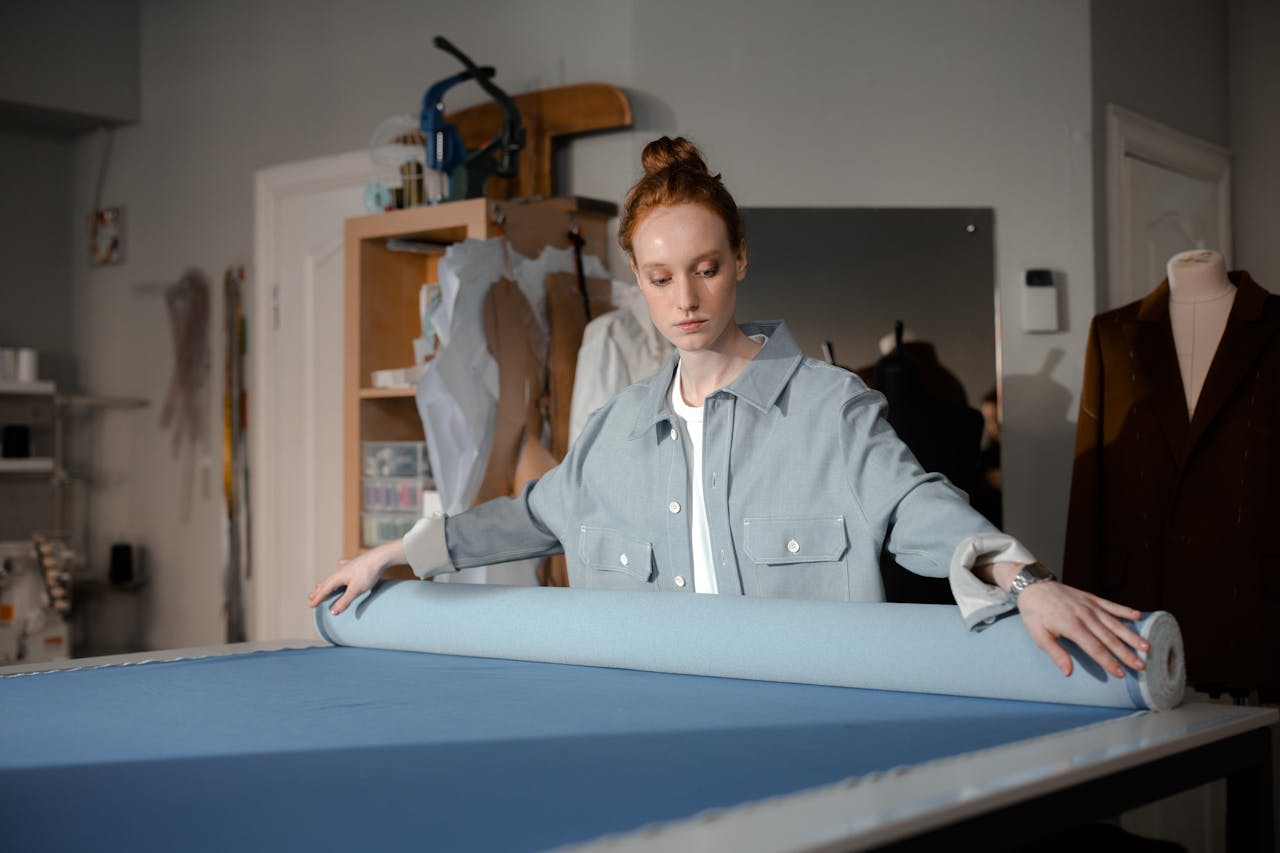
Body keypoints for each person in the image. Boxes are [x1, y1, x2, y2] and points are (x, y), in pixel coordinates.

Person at [311, 136, 1149, 680]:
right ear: (639, 280)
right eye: (660, 277)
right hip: (651, 740)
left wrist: (1027, 581)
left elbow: (921, 508)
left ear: (740, 259)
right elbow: (525, 517)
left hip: (816, 749)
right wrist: (399, 553)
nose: (685, 298)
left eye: (706, 268)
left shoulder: (831, 408)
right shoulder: (612, 432)